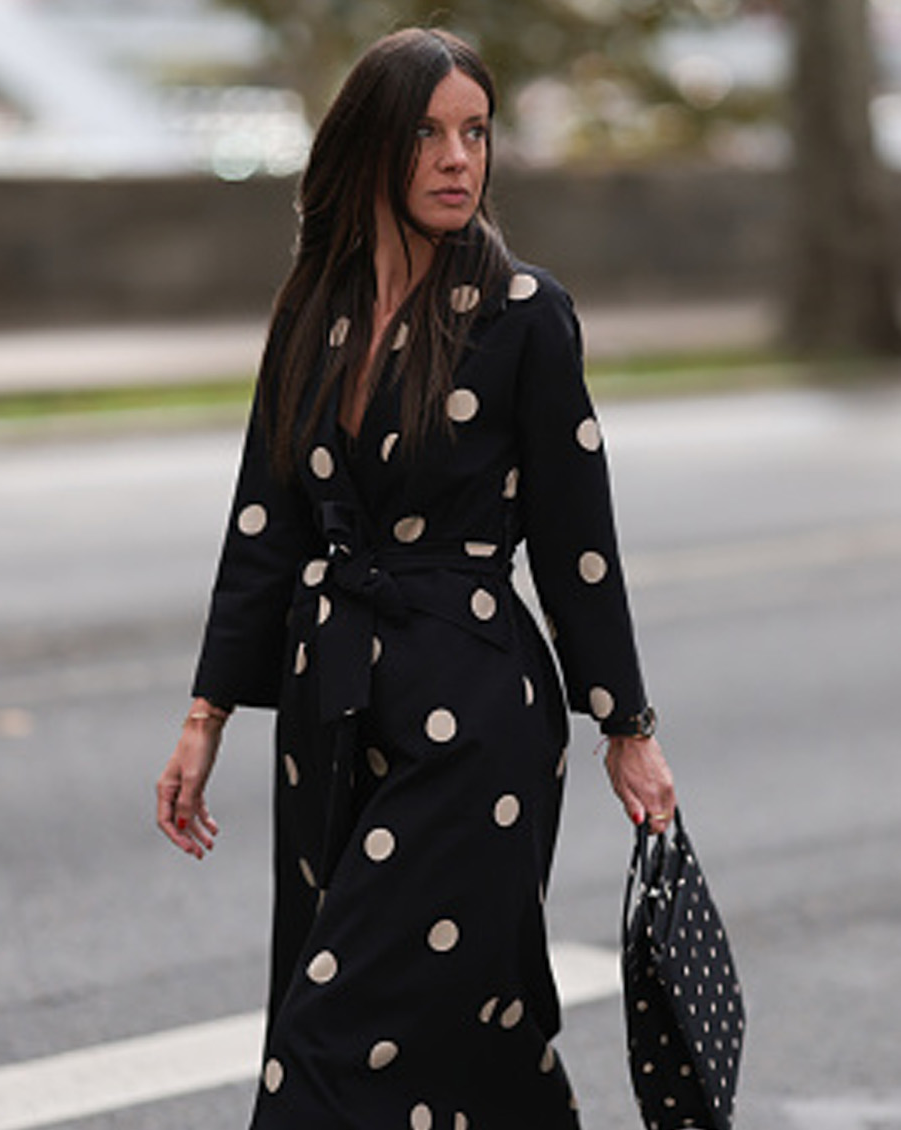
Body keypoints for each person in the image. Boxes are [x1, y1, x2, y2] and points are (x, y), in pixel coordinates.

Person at [153, 27, 677, 1129]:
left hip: (475, 723)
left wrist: (624, 722)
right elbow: (265, 520)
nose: (457, 158)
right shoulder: (311, 308)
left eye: (475, 132)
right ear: (371, 149)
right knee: (466, 1045)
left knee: (325, 1045)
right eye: (430, 134)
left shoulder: (526, 315)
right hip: (329, 705)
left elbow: (578, 541)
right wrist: (205, 716)